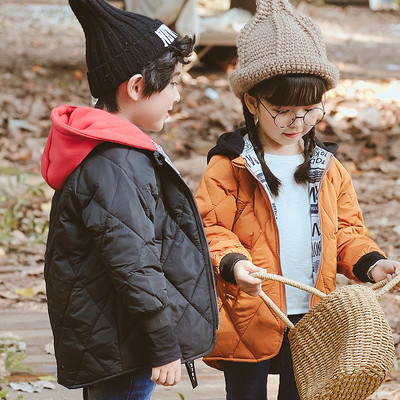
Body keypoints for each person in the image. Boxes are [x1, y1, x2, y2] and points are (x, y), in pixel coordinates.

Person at [194, 0, 400, 399]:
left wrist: (371, 264)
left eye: (311, 109)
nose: (299, 122)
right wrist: (235, 265)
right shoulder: (229, 167)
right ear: (252, 102)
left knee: (304, 393)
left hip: (313, 312)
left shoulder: (328, 168)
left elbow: (345, 231)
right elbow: (210, 227)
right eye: (283, 110)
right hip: (249, 309)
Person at [40, 0, 218, 399]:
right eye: (171, 84)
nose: (176, 96)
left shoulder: (109, 151)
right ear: (137, 87)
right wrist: (164, 343)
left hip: (116, 337)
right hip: (126, 344)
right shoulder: (115, 162)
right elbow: (133, 263)